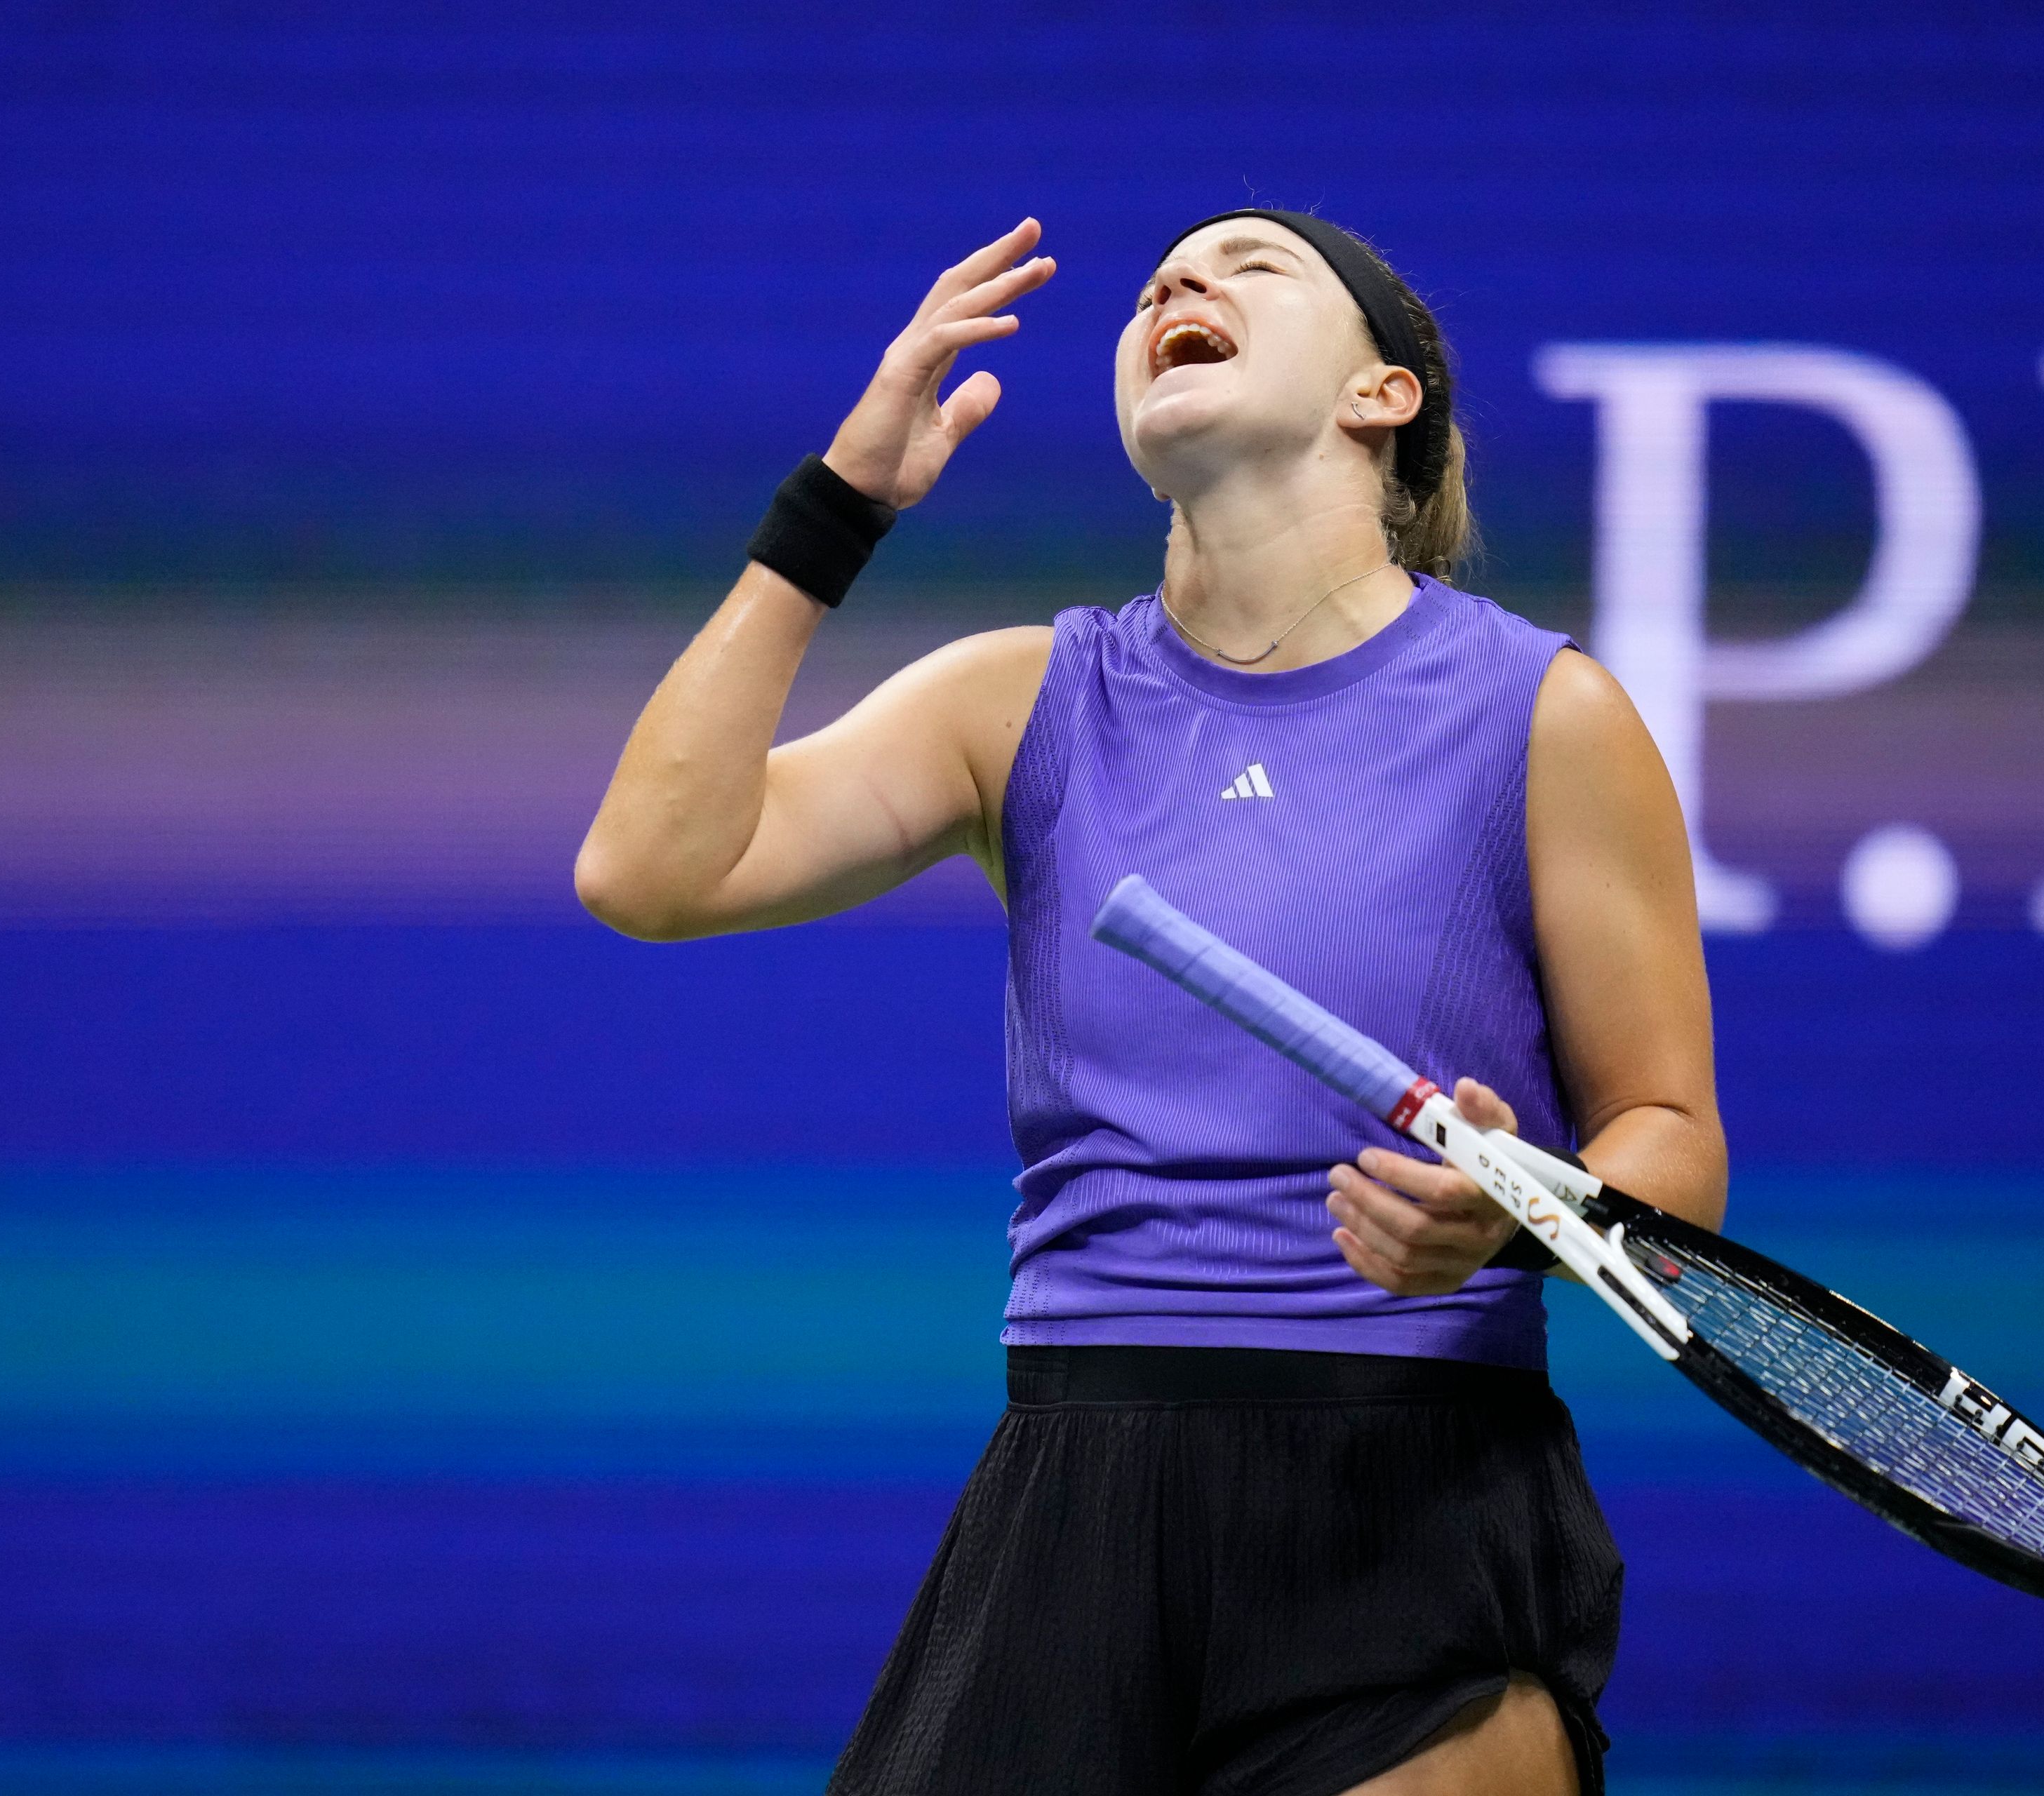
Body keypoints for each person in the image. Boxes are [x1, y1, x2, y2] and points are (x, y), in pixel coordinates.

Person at [576, 210, 1725, 1796]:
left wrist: (1522, 1211)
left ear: (1383, 394)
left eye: (1250, 265)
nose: (1180, 285)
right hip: (1071, 1498)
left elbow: (1671, 1145)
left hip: (1407, 1503)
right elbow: (649, 866)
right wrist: (840, 506)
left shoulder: (1546, 713)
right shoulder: (1026, 699)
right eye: (1158, 284)